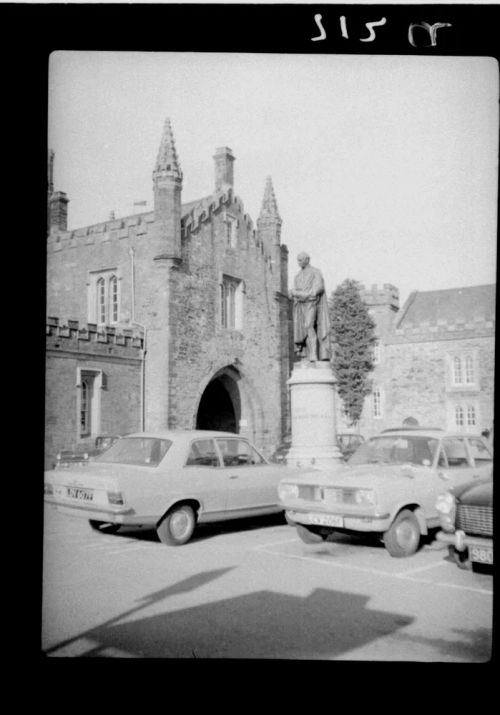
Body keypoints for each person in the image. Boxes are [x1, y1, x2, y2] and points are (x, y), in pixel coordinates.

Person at [290, 252, 331, 361]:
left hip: (312, 304)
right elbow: (296, 292)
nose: (299, 262)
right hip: (300, 306)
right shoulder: (297, 276)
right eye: (298, 260)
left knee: (308, 325)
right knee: (303, 329)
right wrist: (295, 294)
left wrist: (299, 294)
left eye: (301, 260)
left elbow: (318, 288)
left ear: (307, 259)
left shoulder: (315, 272)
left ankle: (313, 354)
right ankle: (306, 354)